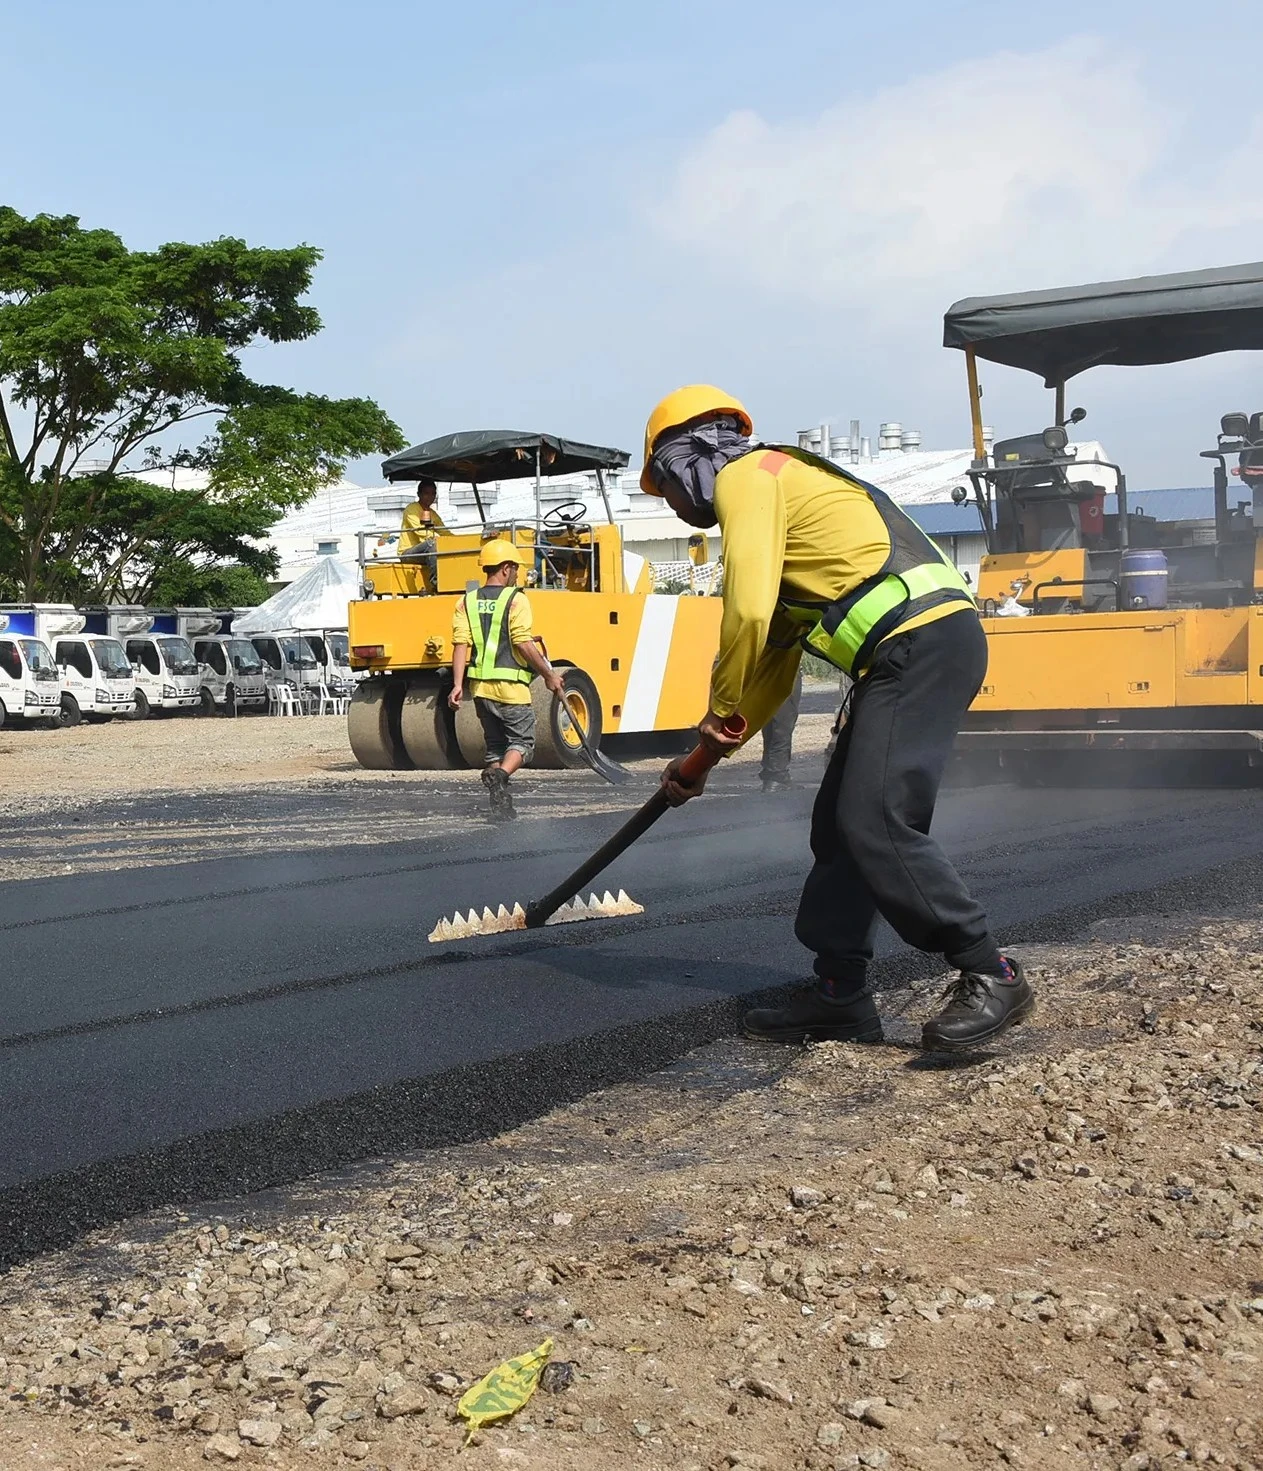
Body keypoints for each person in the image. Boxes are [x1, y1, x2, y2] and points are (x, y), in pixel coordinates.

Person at [643, 385, 1034, 1053]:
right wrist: (701, 760)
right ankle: (839, 994)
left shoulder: (750, 477)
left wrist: (716, 710)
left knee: (875, 816)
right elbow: (772, 667)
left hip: (921, 642)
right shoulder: (789, 513)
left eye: (666, 488)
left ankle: (990, 970)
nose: (673, 506)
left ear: (686, 460)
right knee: (839, 826)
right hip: (907, 652)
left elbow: (745, 610)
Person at [449, 539, 564, 821]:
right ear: (505, 568)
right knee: (523, 744)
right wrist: (549, 675)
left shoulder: (466, 601)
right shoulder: (516, 599)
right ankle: (500, 776)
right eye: (515, 568)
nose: (516, 574)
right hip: (511, 689)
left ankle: (500, 806)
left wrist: (457, 685)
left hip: (481, 690)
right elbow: (522, 642)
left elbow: (460, 644)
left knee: (496, 746)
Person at [759, 666, 802, 792]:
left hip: (764, 672)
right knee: (782, 725)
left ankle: (771, 773)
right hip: (784, 671)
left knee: (770, 724)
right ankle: (777, 775)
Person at [399, 478, 447, 592]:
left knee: (447, 548)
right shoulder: (411, 509)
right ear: (419, 494)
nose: (430, 497)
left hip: (426, 552)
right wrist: (437, 540)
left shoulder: (433, 514)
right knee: (432, 544)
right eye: (426, 493)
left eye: (433, 494)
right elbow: (419, 531)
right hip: (408, 553)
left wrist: (459, 541)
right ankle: (437, 585)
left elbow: (445, 532)